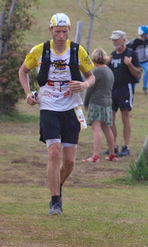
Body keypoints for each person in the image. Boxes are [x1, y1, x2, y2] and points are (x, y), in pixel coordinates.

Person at [19, 13, 95, 215]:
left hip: (71, 107)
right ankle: (55, 202)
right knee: (54, 152)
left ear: (69, 31)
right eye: (58, 32)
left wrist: (84, 85)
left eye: (64, 32)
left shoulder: (77, 51)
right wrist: (28, 93)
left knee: (69, 160)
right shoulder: (39, 50)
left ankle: (56, 187)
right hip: (48, 106)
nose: (61, 36)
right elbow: (23, 71)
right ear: (50, 30)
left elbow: (91, 76)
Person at [107, 30, 141, 158]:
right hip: (112, 89)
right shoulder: (112, 55)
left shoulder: (131, 54)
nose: (114, 42)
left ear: (123, 40)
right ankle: (113, 145)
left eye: (116, 39)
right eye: (113, 40)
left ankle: (126, 146)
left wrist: (129, 64)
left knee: (125, 116)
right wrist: (106, 63)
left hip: (125, 89)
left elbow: (137, 73)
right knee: (111, 117)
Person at [81, 48, 117, 163]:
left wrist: (86, 102)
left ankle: (95, 156)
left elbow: (90, 89)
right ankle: (112, 154)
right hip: (108, 102)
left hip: (96, 102)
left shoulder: (97, 72)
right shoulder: (109, 71)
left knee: (96, 129)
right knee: (107, 128)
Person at [131, 25, 148, 93]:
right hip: (137, 61)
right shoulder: (136, 42)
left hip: (145, 61)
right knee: (137, 74)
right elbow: (132, 51)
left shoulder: (147, 41)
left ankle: (145, 87)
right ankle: (132, 88)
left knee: (147, 72)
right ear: (143, 34)